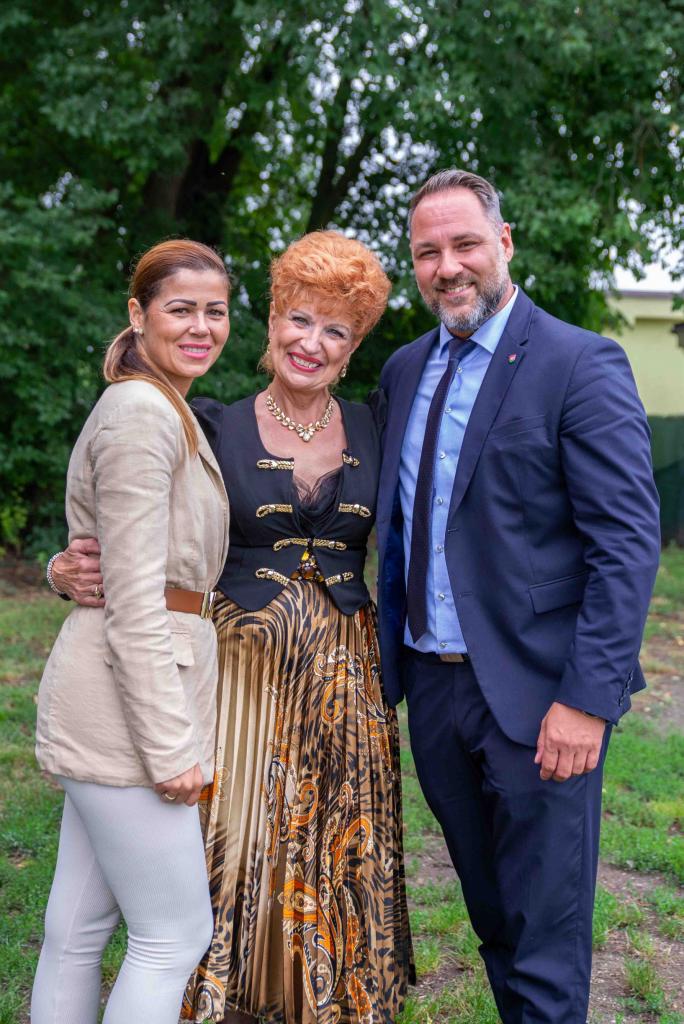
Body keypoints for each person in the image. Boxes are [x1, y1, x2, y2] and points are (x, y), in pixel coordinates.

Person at [50, 230, 414, 1024]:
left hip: (343, 680)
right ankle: (228, 999)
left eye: (335, 330)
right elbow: (131, 534)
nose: (311, 342)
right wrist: (62, 568)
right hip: (236, 678)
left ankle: (322, 998)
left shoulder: (377, 425)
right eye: (299, 320)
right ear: (273, 321)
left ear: (354, 347)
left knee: (328, 846)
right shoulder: (204, 419)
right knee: (228, 854)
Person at [374, 169, 661, 1023]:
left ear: (503, 243)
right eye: (428, 252)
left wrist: (587, 700)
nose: (447, 267)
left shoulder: (577, 362)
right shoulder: (403, 370)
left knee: (546, 935)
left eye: (465, 244)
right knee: (495, 920)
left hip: (541, 699)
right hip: (434, 693)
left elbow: (625, 543)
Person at [32, 240, 231, 1024]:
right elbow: (138, 601)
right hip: (129, 706)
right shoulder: (144, 413)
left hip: (120, 696)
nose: (201, 327)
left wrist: (62, 568)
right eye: (181, 309)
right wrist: (170, 746)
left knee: (77, 931)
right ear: (138, 315)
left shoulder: (162, 406)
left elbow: (114, 561)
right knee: (173, 935)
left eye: (215, 311)